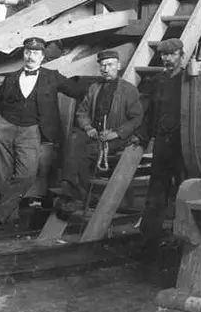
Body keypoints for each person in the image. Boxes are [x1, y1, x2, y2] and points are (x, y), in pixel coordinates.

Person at [0, 36, 84, 230]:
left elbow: (78, 91)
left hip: (31, 131)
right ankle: (7, 217)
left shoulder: (52, 76)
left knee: (27, 175)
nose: (31, 56)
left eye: (36, 53)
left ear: (42, 57)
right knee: (3, 173)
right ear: (24, 54)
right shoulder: (11, 78)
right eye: (28, 52)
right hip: (4, 128)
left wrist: (102, 86)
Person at [58, 50, 143, 211]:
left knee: (83, 154)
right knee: (74, 139)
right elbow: (82, 112)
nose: (105, 68)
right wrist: (88, 127)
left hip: (117, 137)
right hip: (95, 134)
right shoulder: (94, 88)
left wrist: (117, 133)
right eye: (102, 65)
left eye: (110, 64)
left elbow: (136, 118)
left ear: (118, 66)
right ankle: (71, 189)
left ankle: (78, 196)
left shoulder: (129, 90)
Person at [139, 38, 187, 247]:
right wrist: (143, 137)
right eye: (164, 55)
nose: (167, 59)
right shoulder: (158, 80)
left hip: (183, 144)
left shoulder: (188, 80)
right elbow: (151, 113)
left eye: (172, 54)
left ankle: (184, 236)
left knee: (185, 188)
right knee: (157, 189)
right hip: (162, 143)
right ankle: (149, 237)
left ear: (181, 56)